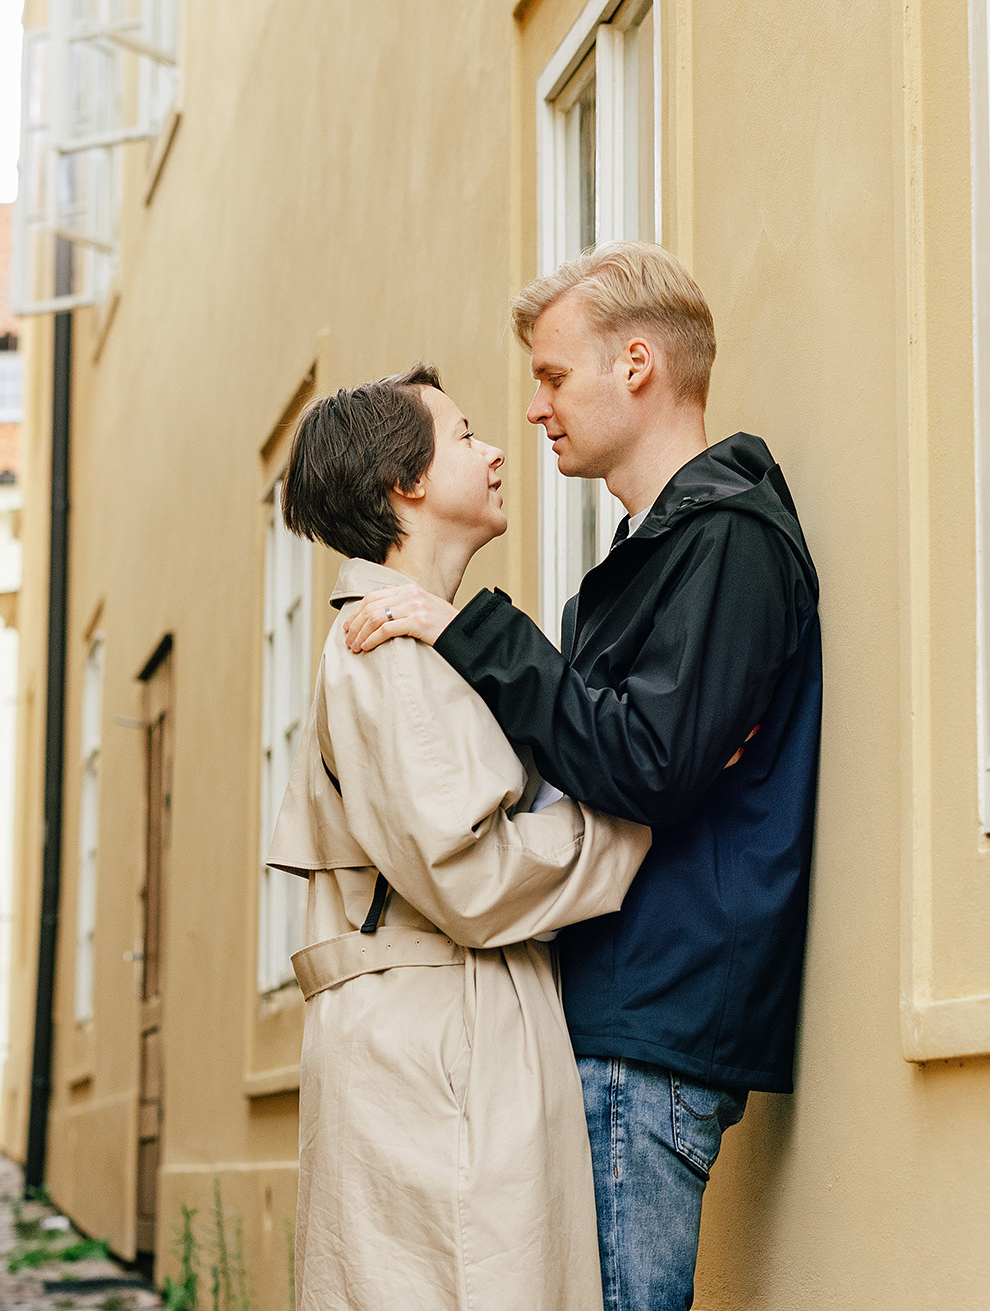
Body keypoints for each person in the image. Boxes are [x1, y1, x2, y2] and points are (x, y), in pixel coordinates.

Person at [343, 244, 822, 1311]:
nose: (531, 410)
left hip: (647, 1028)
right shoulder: (648, 556)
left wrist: (470, 632)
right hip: (610, 1014)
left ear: (637, 364)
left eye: (552, 377)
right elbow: (597, 758)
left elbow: (638, 765)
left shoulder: (728, 541)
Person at [267, 363, 652, 1310]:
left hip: (442, 1042)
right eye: (465, 433)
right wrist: (635, 818)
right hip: (438, 1055)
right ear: (406, 484)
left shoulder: (417, 642)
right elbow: (470, 881)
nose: (493, 449)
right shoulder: (383, 649)